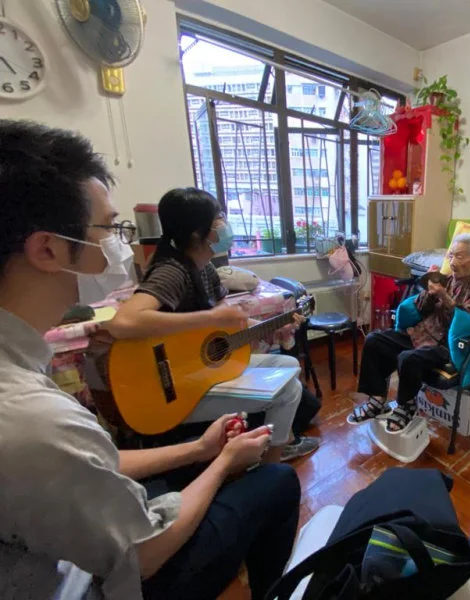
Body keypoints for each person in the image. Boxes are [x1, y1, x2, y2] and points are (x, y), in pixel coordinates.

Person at [0, 120, 301, 600]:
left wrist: (202, 450)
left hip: (190, 382)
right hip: (106, 580)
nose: (117, 243)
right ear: (48, 248)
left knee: (287, 371)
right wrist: (222, 463)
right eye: (107, 227)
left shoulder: (28, 389)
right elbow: (143, 555)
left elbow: (91, 460)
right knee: (281, 468)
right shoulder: (34, 420)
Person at [108, 188, 319, 463]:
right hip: (177, 387)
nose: (225, 224)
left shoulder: (204, 267)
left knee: (290, 367)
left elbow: (226, 322)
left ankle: (268, 441)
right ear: (198, 232)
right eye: (219, 218)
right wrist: (212, 318)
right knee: (289, 390)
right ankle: (272, 463)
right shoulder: (172, 270)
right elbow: (123, 322)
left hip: (198, 369)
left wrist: (270, 327)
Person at [348, 233, 470, 432]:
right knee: (374, 340)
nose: (452, 261)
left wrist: (445, 297)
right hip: (420, 334)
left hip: (446, 345)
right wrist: (429, 289)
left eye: (458, 256)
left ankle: (406, 406)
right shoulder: (446, 279)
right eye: (450, 255)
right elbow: (421, 308)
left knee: (408, 358)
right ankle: (378, 399)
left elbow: (464, 323)